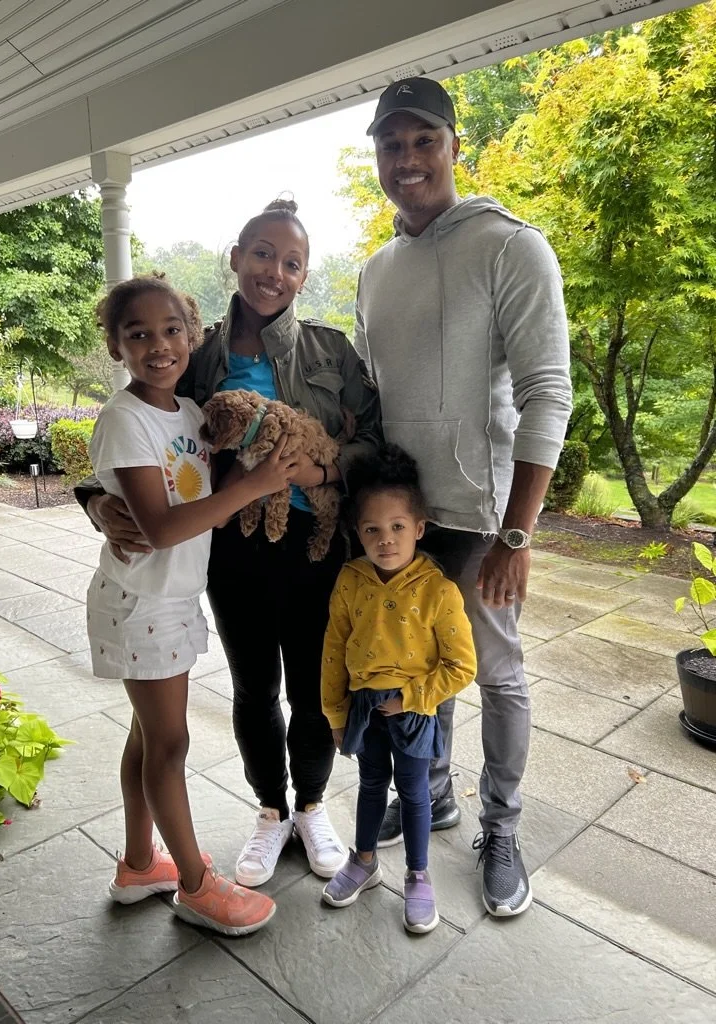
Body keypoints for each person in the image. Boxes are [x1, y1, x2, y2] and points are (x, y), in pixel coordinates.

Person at [78, 200, 382, 889]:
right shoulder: (193, 350)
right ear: (237, 258)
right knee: (254, 690)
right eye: (262, 253)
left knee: (313, 690)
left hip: (316, 547)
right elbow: (139, 430)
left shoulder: (333, 351)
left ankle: (310, 806)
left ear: (304, 276)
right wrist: (96, 501)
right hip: (232, 548)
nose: (274, 270)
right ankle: (270, 809)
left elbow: (375, 442)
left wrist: (324, 468)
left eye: (292, 261)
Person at [354, 78, 572, 916]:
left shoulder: (511, 245)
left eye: (422, 141)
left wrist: (518, 534)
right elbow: (374, 397)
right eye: (390, 144)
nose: (406, 160)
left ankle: (503, 829)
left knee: (497, 674)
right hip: (406, 520)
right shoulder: (377, 270)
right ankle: (434, 792)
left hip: (481, 521)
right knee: (416, 666)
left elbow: (548, 393)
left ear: (453, 145)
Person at [87, 273, 298, 935]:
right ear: (116, 346)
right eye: (138, 334)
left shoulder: (183, 413)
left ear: (193, 333)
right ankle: (199, 888)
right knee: (171, 745)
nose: (158, 345)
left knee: (147, 739)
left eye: (171, 329)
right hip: (143, 601)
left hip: (170, 600)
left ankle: (139, 863)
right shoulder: (125, 419)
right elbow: (162, 528)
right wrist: (257, 484)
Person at [320, 446, 476, 933]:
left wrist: (410, 699)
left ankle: (417, 875)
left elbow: (462, 666)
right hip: (364, 711)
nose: (385, 540)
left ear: (419, 527)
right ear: (357, 532)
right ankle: (363, 862)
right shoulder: (350, 580)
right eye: (372, 530)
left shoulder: (439, 591)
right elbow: (333, 648)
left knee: (413, 794)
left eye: (397, 527)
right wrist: (336, 713)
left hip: (414, 711)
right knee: (369, 786)